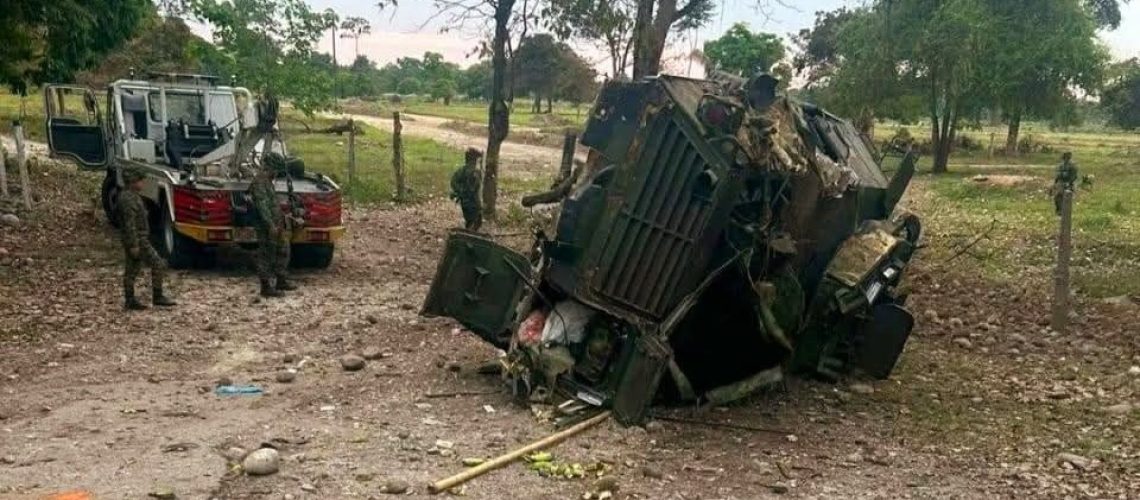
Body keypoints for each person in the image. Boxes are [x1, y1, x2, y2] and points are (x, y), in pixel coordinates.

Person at [117, 167, 176, 310]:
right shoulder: (128, 199)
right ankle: (157, 296)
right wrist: (134, 245)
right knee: (157, 263)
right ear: (133, 181)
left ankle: (130, 299)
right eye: (140, 180)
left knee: (132, 269)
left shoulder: (131, 196)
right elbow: (129, 224)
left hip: (138, 238)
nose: (143, 183)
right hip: (138, 239)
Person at [250, 153, 296, 298]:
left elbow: (271, 203)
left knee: (283, 249)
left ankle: (281, 279)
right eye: (275, 170)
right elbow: (262, 206)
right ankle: (266, 287)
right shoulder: (259, 183)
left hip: (276, 223)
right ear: (269, 167)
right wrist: (270, 225)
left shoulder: (268, 181)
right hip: (266, 225)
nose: (275, 174)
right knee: (267, 254)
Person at [450, 147, 483, 231]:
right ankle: (469, 238)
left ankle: (469, 234)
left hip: (465, 202)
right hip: (473, 203)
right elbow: (473, 188)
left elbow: (453, 181)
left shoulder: (462, 170)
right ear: (474, 160)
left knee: (470, 221)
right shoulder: (474, 172)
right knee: (475, 222)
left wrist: (460, 191)